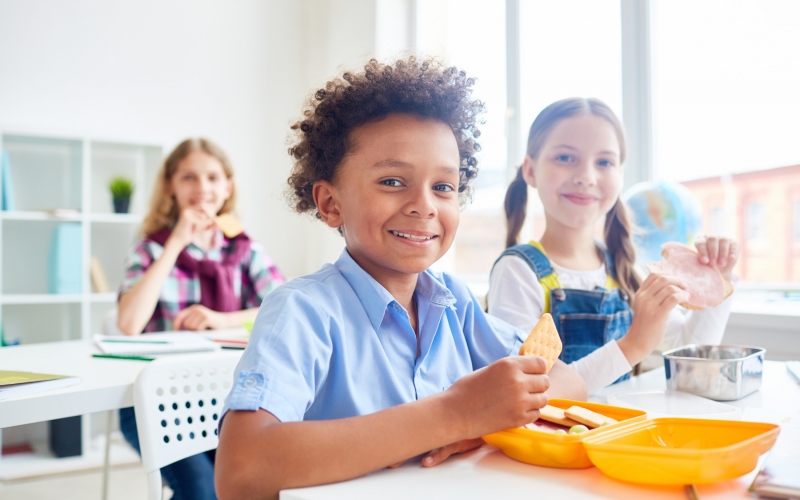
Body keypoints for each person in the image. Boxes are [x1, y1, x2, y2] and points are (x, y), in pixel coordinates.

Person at [215, 57, 587, 500]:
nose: (424, 205)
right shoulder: (302, 311)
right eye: (393, 181)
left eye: (444, 187)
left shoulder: (454, 302)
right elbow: (241, 470)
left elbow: (567, 382)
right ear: (330, 203)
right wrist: (453, 414)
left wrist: (479, 425)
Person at [488, 98, 738, 394]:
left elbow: (688, 348)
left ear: (619, 175)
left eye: (604, 162)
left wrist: (719, 279)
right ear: (530, 170)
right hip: (555, 440)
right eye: (565, 158)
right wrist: (634, 345)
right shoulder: (517, 271)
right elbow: (530, 389)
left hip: (620, 437)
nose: (586, 177)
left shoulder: (621, 268)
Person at [116, 138, 286, 500]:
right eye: (189, 178)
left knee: (249, 483)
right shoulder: (151, 248)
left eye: (212, 177)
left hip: (225, 397)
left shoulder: (244, 248)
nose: (202, 188)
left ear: (228, 187)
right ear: (170, 187)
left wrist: (221, 319)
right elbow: (129, 323)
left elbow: (284, 309)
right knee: (200, 490)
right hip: (158, 401)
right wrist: (176, 242)